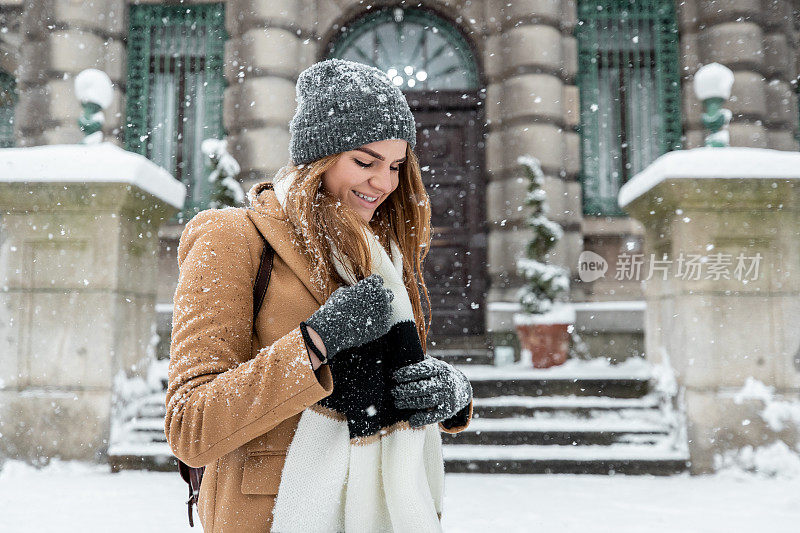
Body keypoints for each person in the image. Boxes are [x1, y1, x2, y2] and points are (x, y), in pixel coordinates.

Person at [165, 58, 473, 533]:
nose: (384, 183)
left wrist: (448, 395)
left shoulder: (383, 256)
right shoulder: (233, 239)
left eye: (394, 166)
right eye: (365, 162)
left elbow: (391, 384)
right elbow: (190, 424)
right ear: (317, 159)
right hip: (272, 515)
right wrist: (315, 343)